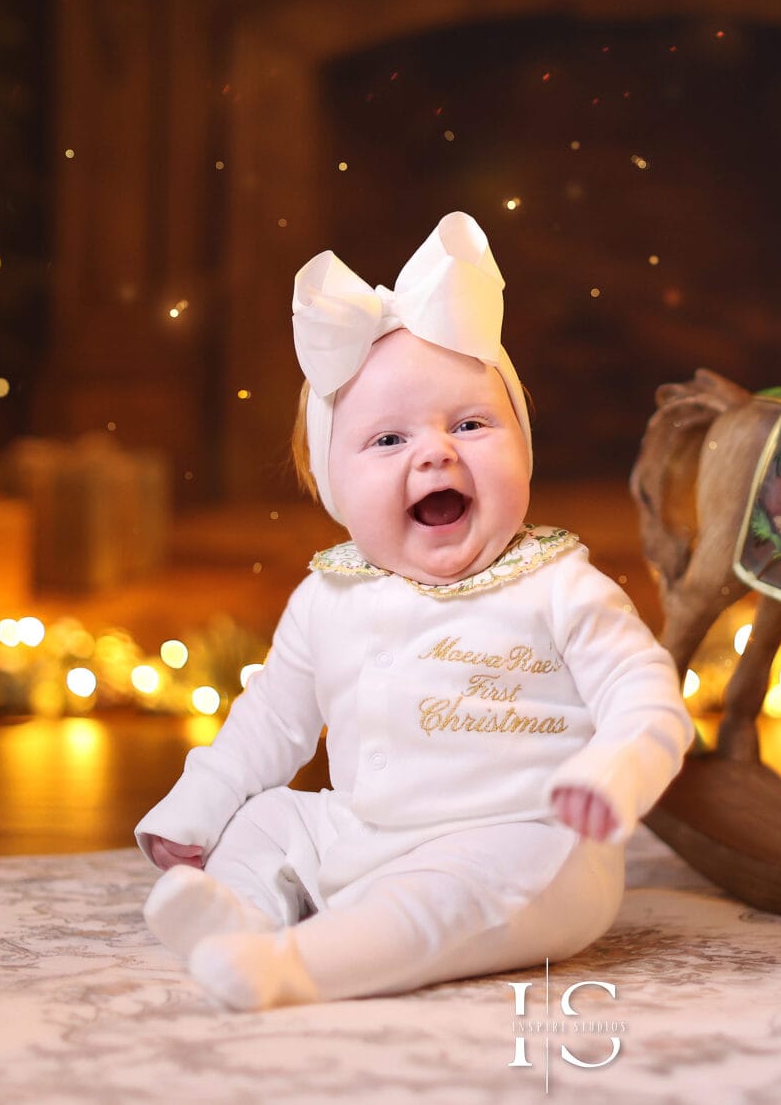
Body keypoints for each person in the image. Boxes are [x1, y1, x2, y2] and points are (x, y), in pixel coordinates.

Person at [135, 211, 696, 1010]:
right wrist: (195, 810)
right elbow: (267, 724)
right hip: (369, 831)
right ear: (334, 489)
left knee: (438, 901)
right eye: (388, 441)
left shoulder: (558, 584)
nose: (436, 452)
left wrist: (612, 773)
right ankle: (238, 912)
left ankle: (293, 967)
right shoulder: (328, 596)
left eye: (470, 424)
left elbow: (651, 703)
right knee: (270, 820)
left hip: (530, 844)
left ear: (523, 451)